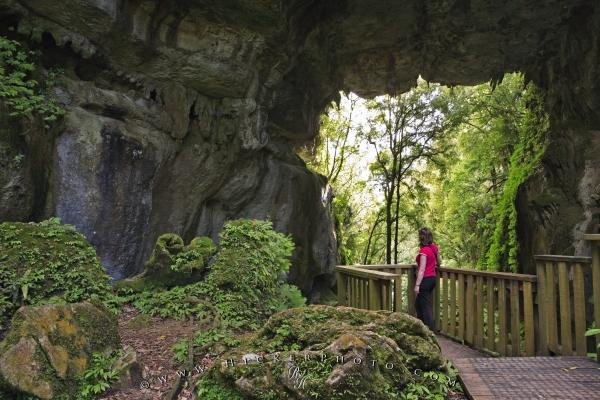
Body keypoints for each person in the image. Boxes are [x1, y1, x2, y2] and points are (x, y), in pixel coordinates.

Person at [414, 227, 441, 331]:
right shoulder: (433, 248)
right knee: (418, 304)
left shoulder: (424, 251)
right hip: (432, 279)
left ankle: (429, 330)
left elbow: (421, 269)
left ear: (421, 238)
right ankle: (422, 328)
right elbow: (439, 262)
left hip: (425, 280)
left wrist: (417, 285)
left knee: (424, 306)